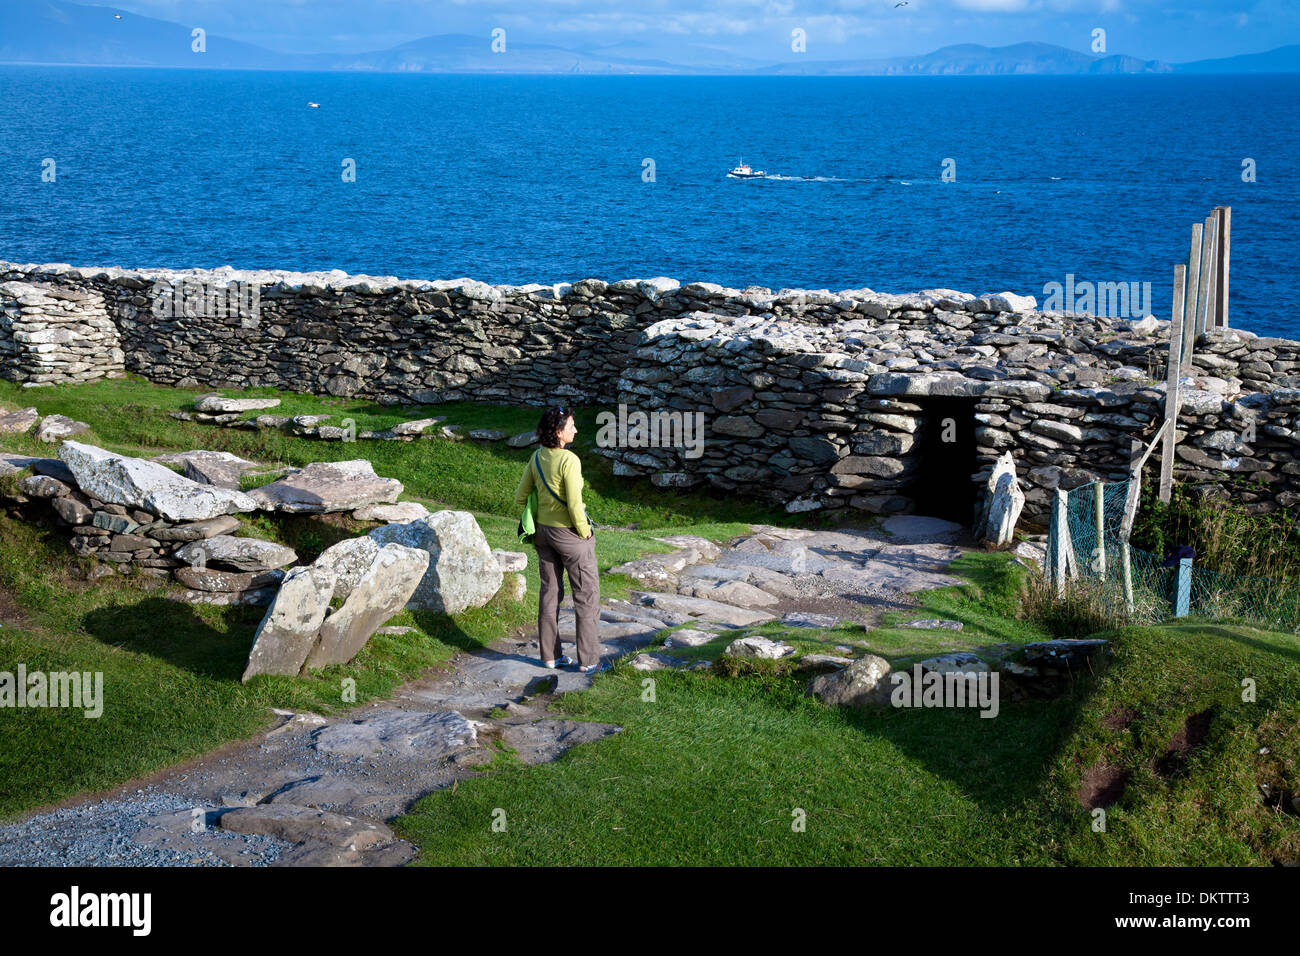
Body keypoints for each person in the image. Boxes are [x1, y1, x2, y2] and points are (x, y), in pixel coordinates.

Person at [514, 406, 605, 674]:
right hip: (570, 536)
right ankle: (588, 661)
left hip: (543, 534)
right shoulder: (570, 461)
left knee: (549, 594)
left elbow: (521, 496)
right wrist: (584, 530)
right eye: (571, 427)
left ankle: (550, 657)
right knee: (587, 597)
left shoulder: (537, 457)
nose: (575, 430)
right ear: (558, 432)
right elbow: (576, 505)